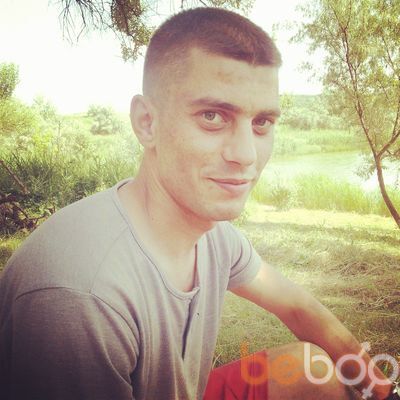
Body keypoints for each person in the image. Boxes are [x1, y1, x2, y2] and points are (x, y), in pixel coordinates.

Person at [0, 7, 397, 400]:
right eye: (212, 116)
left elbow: (298, 307)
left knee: (311, 369)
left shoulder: (215, 237)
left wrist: (383, 393)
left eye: (261, 123)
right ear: (147, 122)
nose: (246, 155)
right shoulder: (82, 299)